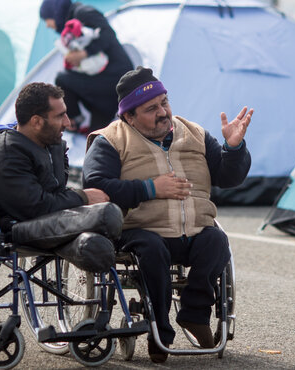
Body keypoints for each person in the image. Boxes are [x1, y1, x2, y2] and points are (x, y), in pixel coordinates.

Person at [83, 66, 253, 363]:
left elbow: (227, 177)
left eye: (164, 102)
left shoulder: (195, 133)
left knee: (216, 241)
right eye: (151, 109)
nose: (163, 112)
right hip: (139, 230)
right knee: (151, 249)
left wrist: (234, 148)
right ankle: (158, 330)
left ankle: (194, 314)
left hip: (194, 230)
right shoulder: (110, 140)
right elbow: (96, 186)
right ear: (129, 117)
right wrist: (150, 188)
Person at [0, 82, 122, 271]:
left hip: (49, 220)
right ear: (36, 121)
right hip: (14, 228)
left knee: (95, 245)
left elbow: (57, 195)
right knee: (107, 214)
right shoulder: (5, 154)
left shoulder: (54, 146)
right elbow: (38, 207)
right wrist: (83, 197)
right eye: (60, 116)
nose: (68, 122)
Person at [39, 0, 133, 134]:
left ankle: (74, 120)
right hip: (103, 83)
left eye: (47, 18)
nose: (47, 24)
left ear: (55, 12)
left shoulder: (83, 12)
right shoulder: (72, 20)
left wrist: (83, 54)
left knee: (62, 79)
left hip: (115, 77)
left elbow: (108, 34)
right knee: (95, 137)